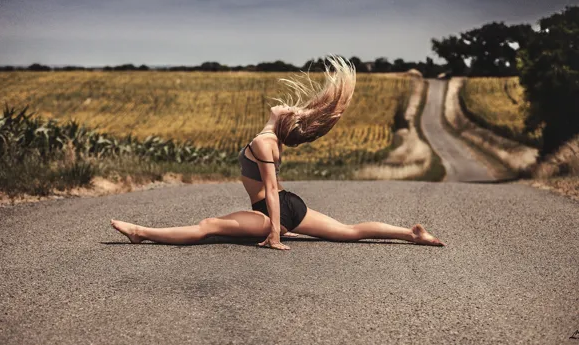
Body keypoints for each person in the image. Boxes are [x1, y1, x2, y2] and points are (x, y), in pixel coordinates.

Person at [111, 55, 445, 250]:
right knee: (348, 231)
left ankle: (141, 233)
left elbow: (270, 188)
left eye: (291, 109)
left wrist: (274, 232)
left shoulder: (265, 142)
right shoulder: (270, 137)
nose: (287, 106)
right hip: (286, 206)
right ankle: (410, 234)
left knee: (209, 226)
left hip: (274, 210)